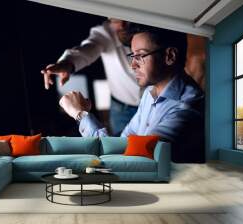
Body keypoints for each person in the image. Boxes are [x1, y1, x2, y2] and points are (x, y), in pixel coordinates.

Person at [59, 24, 205, 163]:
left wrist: (81, 115)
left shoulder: (186, 108)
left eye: (140, 56)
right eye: (132, 56)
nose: (132, 65)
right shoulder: (149, 93)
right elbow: (121, 144)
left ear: (170, 56)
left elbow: (137, 159)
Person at [41, 18, 141, 136]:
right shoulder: (105, 32)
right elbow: (88, 48)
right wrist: (67, 63)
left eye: (125, 19)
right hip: (122, 107)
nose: (123, 25)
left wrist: (80, 115)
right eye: (115, 21)